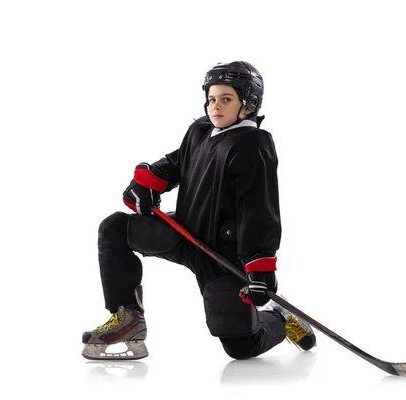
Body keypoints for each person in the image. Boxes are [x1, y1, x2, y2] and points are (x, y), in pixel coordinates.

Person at [81, 61, 316, 361]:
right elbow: (177, 163)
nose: (215, 106)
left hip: (222, 256)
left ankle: (280, 319)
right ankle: (128, 318)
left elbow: (260, 211)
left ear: (249, 104)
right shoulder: (201, 131)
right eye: (211, 99)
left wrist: (259, 269)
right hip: (184, 234)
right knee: (115, 228)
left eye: (226, 99)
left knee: (240, 347)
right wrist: (149, 184)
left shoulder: (253, 145)